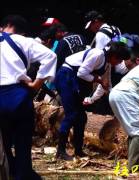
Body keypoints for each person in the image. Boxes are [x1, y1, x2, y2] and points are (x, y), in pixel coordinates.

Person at [0, 15, 57, 179]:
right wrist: (37, 84)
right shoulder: (23, 41)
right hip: (19, 93)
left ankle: (10, 171)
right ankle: (23, 174)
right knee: (22, 141)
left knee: (3, 142)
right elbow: (50, 56)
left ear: (7, 25)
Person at [54, 42, 130, 160]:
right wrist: (98, 79)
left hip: (74, 81)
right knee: (71, 114)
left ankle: (78, 150)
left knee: (81, 117)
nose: (119, 63)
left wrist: (116, 98)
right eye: (120, 60)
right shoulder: (98, 54)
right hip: (66, 77)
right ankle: (60, 151)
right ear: (114, 56)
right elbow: (82, 72)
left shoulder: (107, 64)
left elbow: (107, 84)